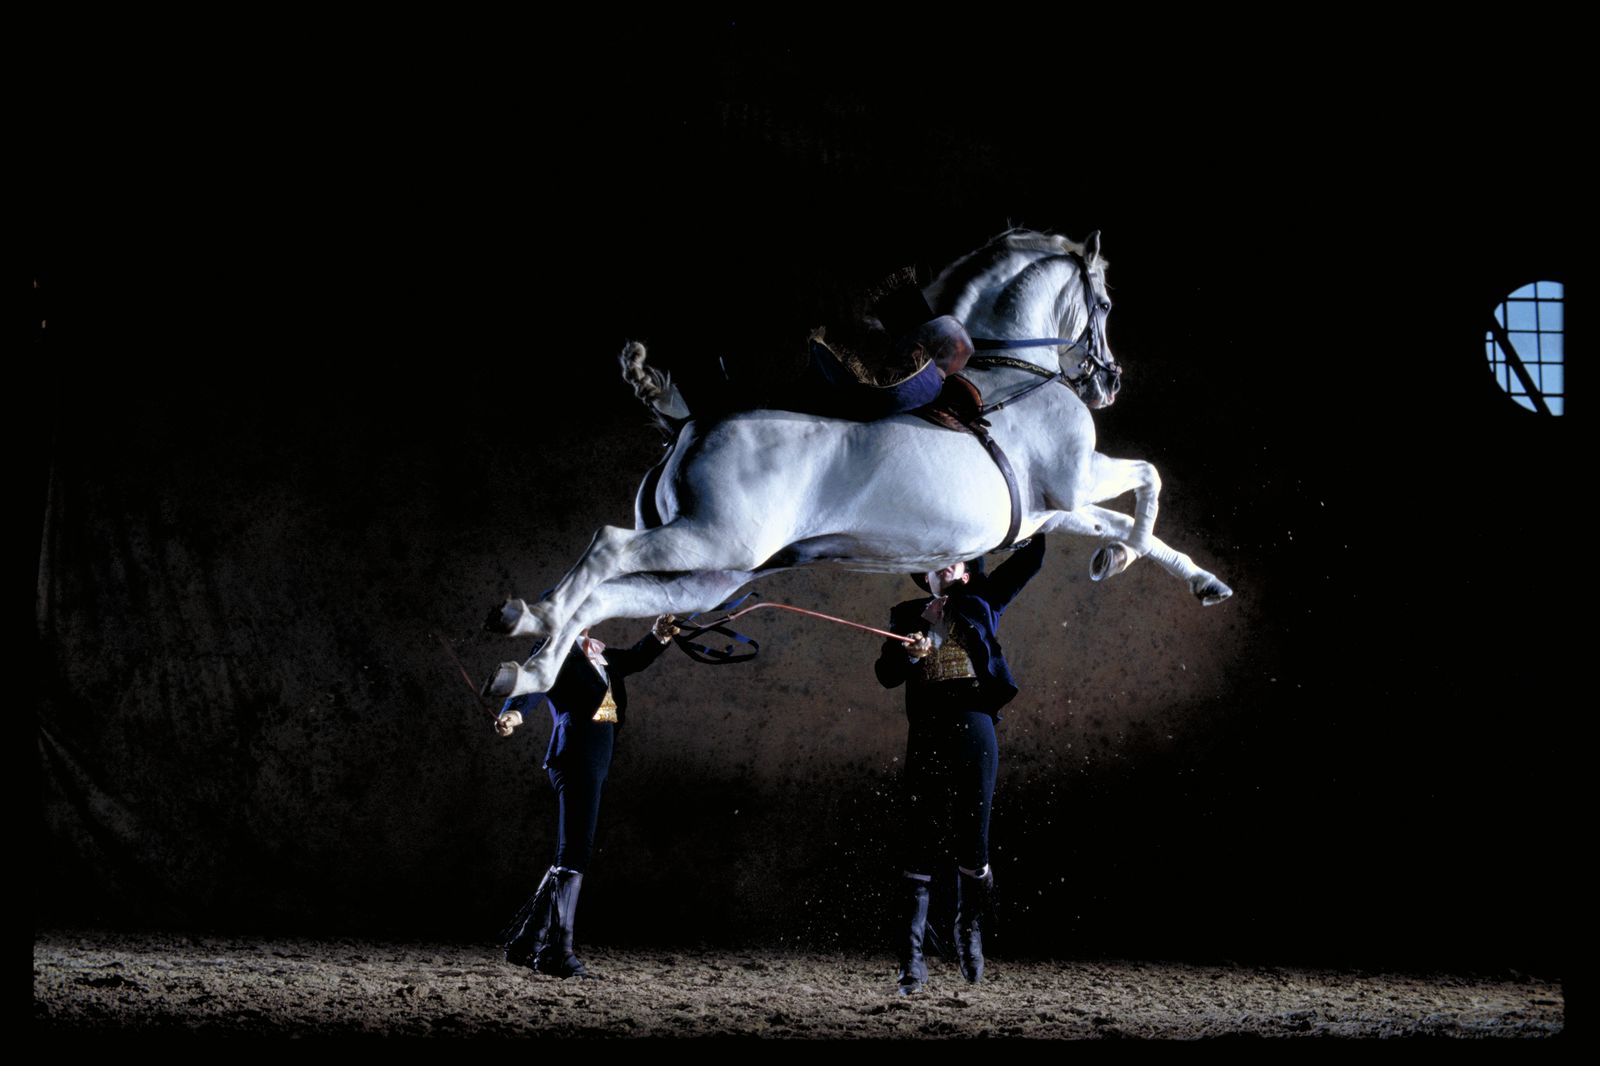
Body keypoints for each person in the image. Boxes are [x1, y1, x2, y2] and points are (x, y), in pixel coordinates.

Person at [874, 536, 1047, 993]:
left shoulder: (982, 599)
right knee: (920, 837)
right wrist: (912, 646)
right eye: (933, 563)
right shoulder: (906, 614)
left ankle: (969, 930)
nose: (943, 566)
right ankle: (911, 959)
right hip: (928, 728)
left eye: (953, 560)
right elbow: (887, 675)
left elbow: (1030, 560)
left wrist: (1027, 531)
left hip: (974, 723)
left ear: (966, 572)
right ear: (926, 577)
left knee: (975, 838)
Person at [494, 613, 679, 978]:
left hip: (595, 759)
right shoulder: (551, 651)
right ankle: (556, 951)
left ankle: (528, 941)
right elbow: (531, 684)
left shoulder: (599, 655)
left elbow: (634, 659)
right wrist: (513, 714)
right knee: (575, 851)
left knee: (573, 850)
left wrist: (658, 635)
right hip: (574, 756)